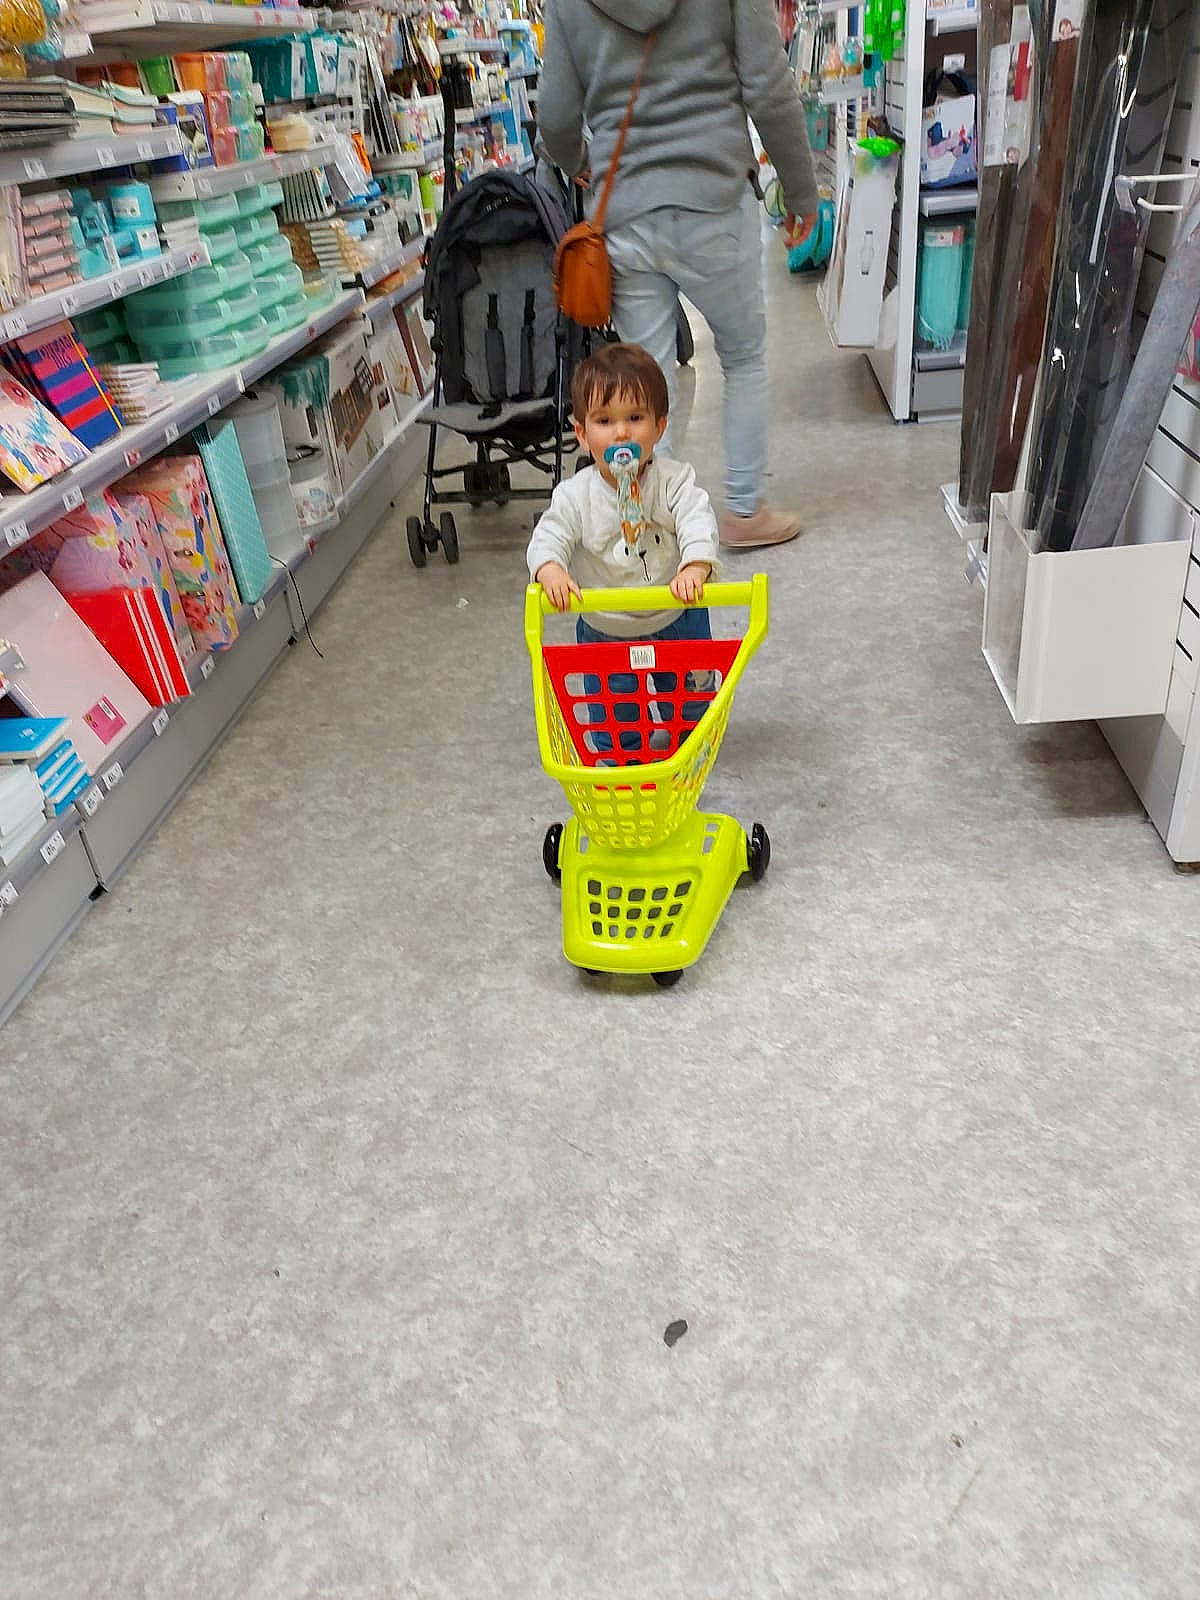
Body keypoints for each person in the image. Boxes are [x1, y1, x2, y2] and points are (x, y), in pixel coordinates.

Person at [538, 0, 819, 550]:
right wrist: (801, 190)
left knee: (647, 380)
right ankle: (741, 511)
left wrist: (577, 159)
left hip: (625, 211)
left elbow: (554, 116)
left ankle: (655, 526)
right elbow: (767, 86)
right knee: (740, 355)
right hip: (714, 200)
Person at [527, 341, 719, 643]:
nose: (621, 432)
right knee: (610, 693)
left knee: (692, 691)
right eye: (604, 421)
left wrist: (696, 565)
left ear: (659, 427)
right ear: (583, 435)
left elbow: (698, 519)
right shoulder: (575, 496)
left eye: (635, 418)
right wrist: (551, 569)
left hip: (676, 611)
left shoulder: (674, 482)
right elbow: (550, 534)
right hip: (605, 626)